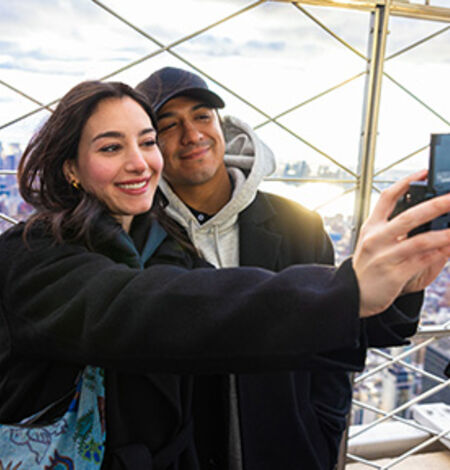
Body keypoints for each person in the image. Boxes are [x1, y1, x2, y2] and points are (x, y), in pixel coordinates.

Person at [0, 80, 448, 470]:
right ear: (71, 168)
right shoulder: (34, 254)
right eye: (112, 147)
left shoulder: (164, 244)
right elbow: (146, 307)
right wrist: (347, 288)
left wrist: (399, 287)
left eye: (146, 141)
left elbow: (233, 313)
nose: (139, 162)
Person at [136, 67, 450, 470]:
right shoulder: (139, 235)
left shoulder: (296, 224)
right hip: (182, 456)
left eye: (202, 116)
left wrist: (323, 428)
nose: (192, 134)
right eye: (168, 125)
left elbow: (342, 336)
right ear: (148, 145)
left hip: (286, 448)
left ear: (222, 125)